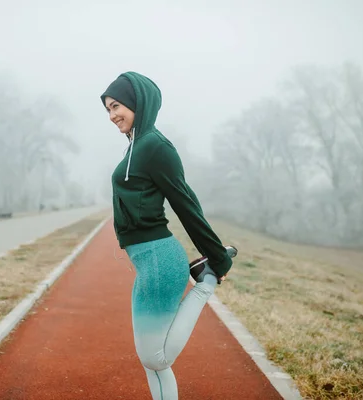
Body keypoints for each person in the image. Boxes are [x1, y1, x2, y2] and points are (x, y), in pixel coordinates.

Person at [100, 71, 234, 400]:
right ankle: (206, 277)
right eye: (107, 110)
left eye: (117, 106)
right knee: (152, 363)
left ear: (137, 103)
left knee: (155, 357)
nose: (112, 115)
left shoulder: (155, 147)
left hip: (160, 260)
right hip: (149, 262)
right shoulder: (137, 147)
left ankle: (206, 281)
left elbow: (185, 203)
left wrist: (217, 258)